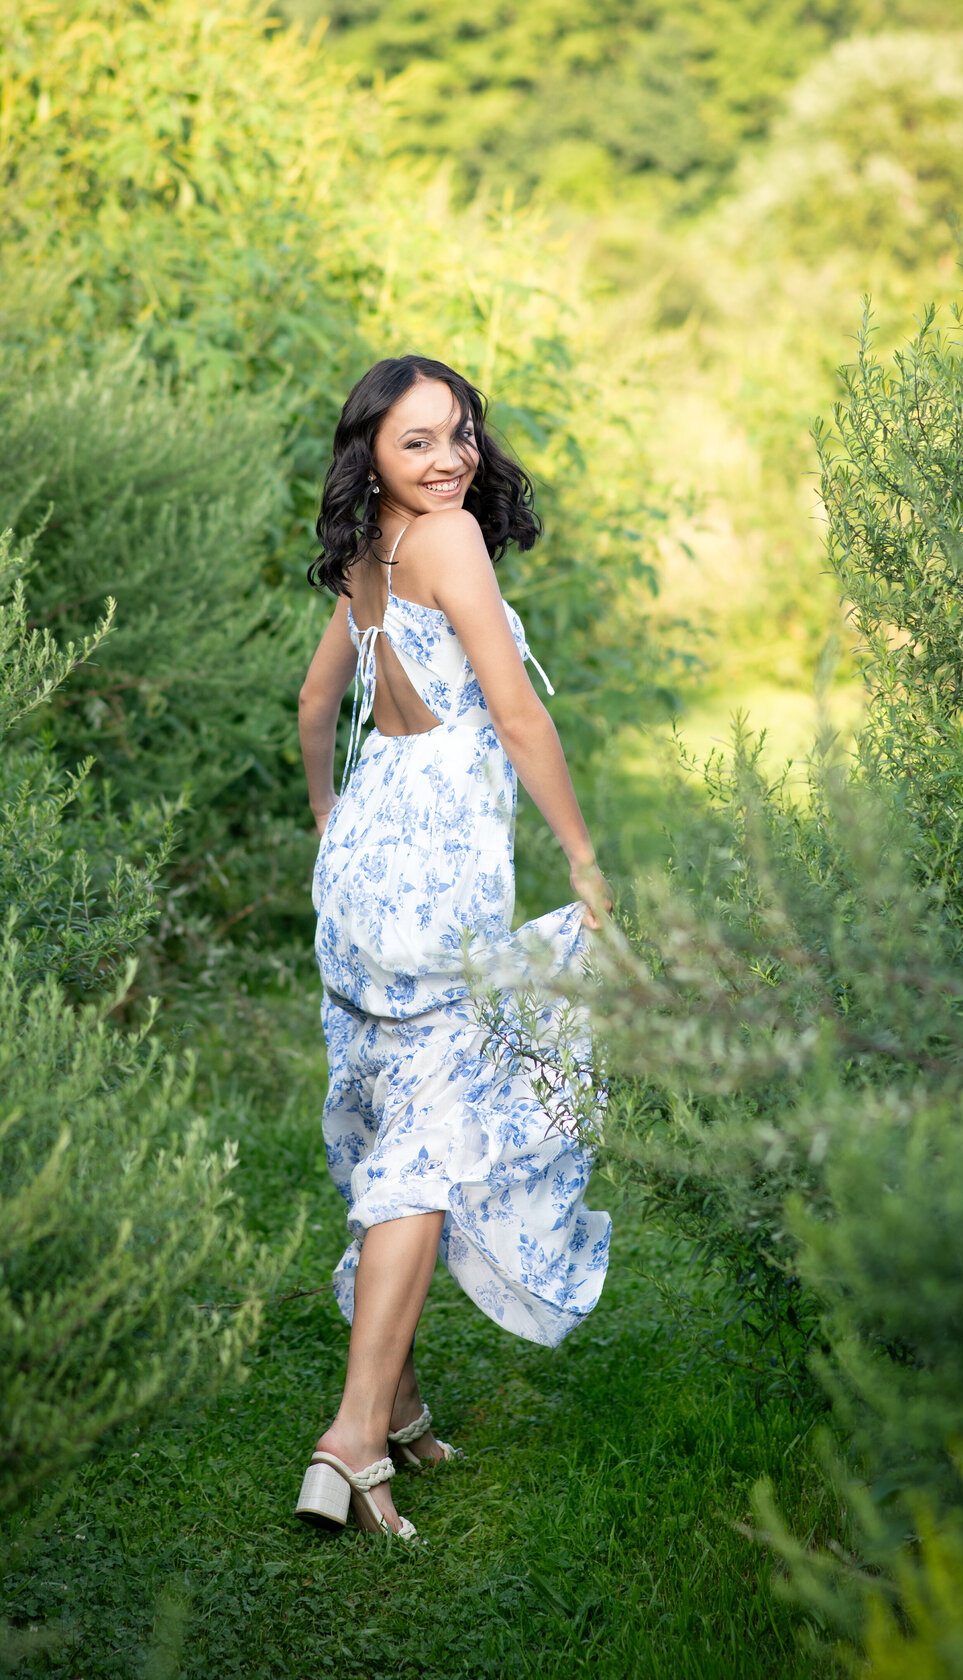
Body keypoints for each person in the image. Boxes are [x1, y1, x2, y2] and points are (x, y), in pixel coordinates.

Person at [293, 355, 613, 1540]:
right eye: (419, 441)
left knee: (394, 1121)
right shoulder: (454, 546)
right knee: (429, 1147)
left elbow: (315, 709)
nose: (451, 460)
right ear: (370, 451)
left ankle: (400, 1397)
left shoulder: (369, 558)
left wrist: (332, 823)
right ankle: (353, 1437)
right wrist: (581, 855)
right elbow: (517, 713)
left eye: (462, 434)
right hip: (436, 872)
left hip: (366, 860)